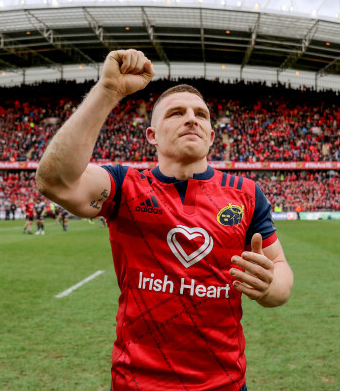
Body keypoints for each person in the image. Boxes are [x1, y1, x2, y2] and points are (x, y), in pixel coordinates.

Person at [36, 49, 293, 391]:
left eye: (201, 114)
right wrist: (108, 91)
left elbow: (281, 270)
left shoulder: (245, 193)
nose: (192, 119)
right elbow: (56, 181)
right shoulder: (125, 186)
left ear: (212, 136)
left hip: (225, 384)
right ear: (152, 135)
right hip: (137, 383)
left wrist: (269, 287)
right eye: (176, 113)